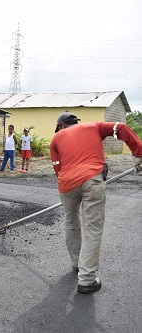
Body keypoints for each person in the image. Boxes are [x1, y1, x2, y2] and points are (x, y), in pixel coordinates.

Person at [50, 111, 142, 293]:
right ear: (75, 122)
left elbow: (57, 168)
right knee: (92, 227)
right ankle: (86, 279)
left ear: (61, 125)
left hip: (66, 184)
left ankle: (77, 263)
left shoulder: (56, 139)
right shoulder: (95, 126)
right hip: (92, 179)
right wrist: (138, 153)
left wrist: (67, 186)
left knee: (71, 221)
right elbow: (120, 128)